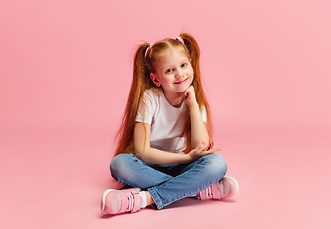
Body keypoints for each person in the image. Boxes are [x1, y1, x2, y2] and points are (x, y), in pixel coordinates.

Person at [101, 33, 239, 215]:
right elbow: (143, 152)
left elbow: (201, 147)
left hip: (181, 167)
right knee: (120, 164)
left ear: (191, 64)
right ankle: (196, 190)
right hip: (149, 165)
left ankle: (144, 198)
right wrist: (187, 159)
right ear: (156, 79)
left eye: (183, 65)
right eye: (169, 70)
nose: (180, 74)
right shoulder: (150, 98)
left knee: (217, 164)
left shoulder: (196, 103)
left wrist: (193, 106)